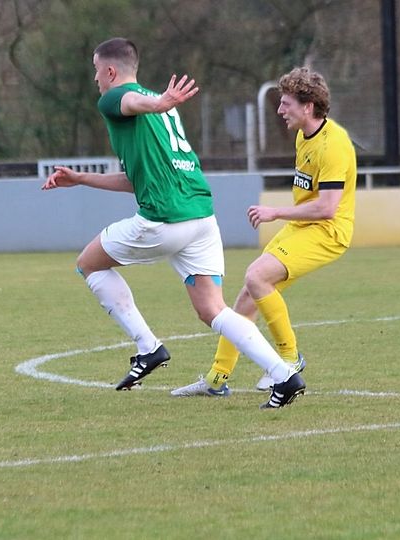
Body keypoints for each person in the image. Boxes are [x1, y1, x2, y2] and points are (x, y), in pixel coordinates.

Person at [42, 37, 305, 408]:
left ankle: (148, 347)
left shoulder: (118, 100)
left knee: (88, 264)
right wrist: (82, 177)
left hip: (164, 220)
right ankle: (285, 375)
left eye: (96, 72)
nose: (95, 80)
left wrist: (157, 101)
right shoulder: (162, 111)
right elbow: (138, 179)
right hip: (200, 217)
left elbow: (130, 101)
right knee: (213, 310)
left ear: (110, 71)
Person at [172, 66, 356, 397]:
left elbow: (327, 207)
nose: (280, 110)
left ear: (308, 107)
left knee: (256, 277)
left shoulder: (334, 146)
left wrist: (275, 212)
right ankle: (217, 378)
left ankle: (289, 361)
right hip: (304, 227)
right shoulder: (304, 136)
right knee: (250, 291)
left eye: (286, 104)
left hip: (328, 232)